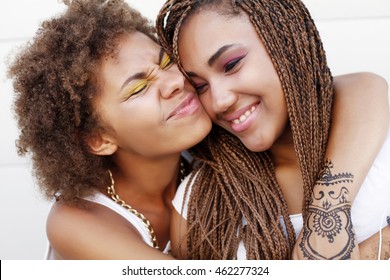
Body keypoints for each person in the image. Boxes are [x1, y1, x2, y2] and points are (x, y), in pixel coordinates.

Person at [156, 0, 390, 259]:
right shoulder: (198, 206)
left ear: (287, 42)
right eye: (200, 86)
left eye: (232, 64)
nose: (219, 101)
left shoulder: (380, 139)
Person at [7, 0, 212, 259]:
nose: (175, 81)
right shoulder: (74, 221)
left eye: (167, 61)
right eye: (138, 88)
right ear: (98, 139)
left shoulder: (209, 156)